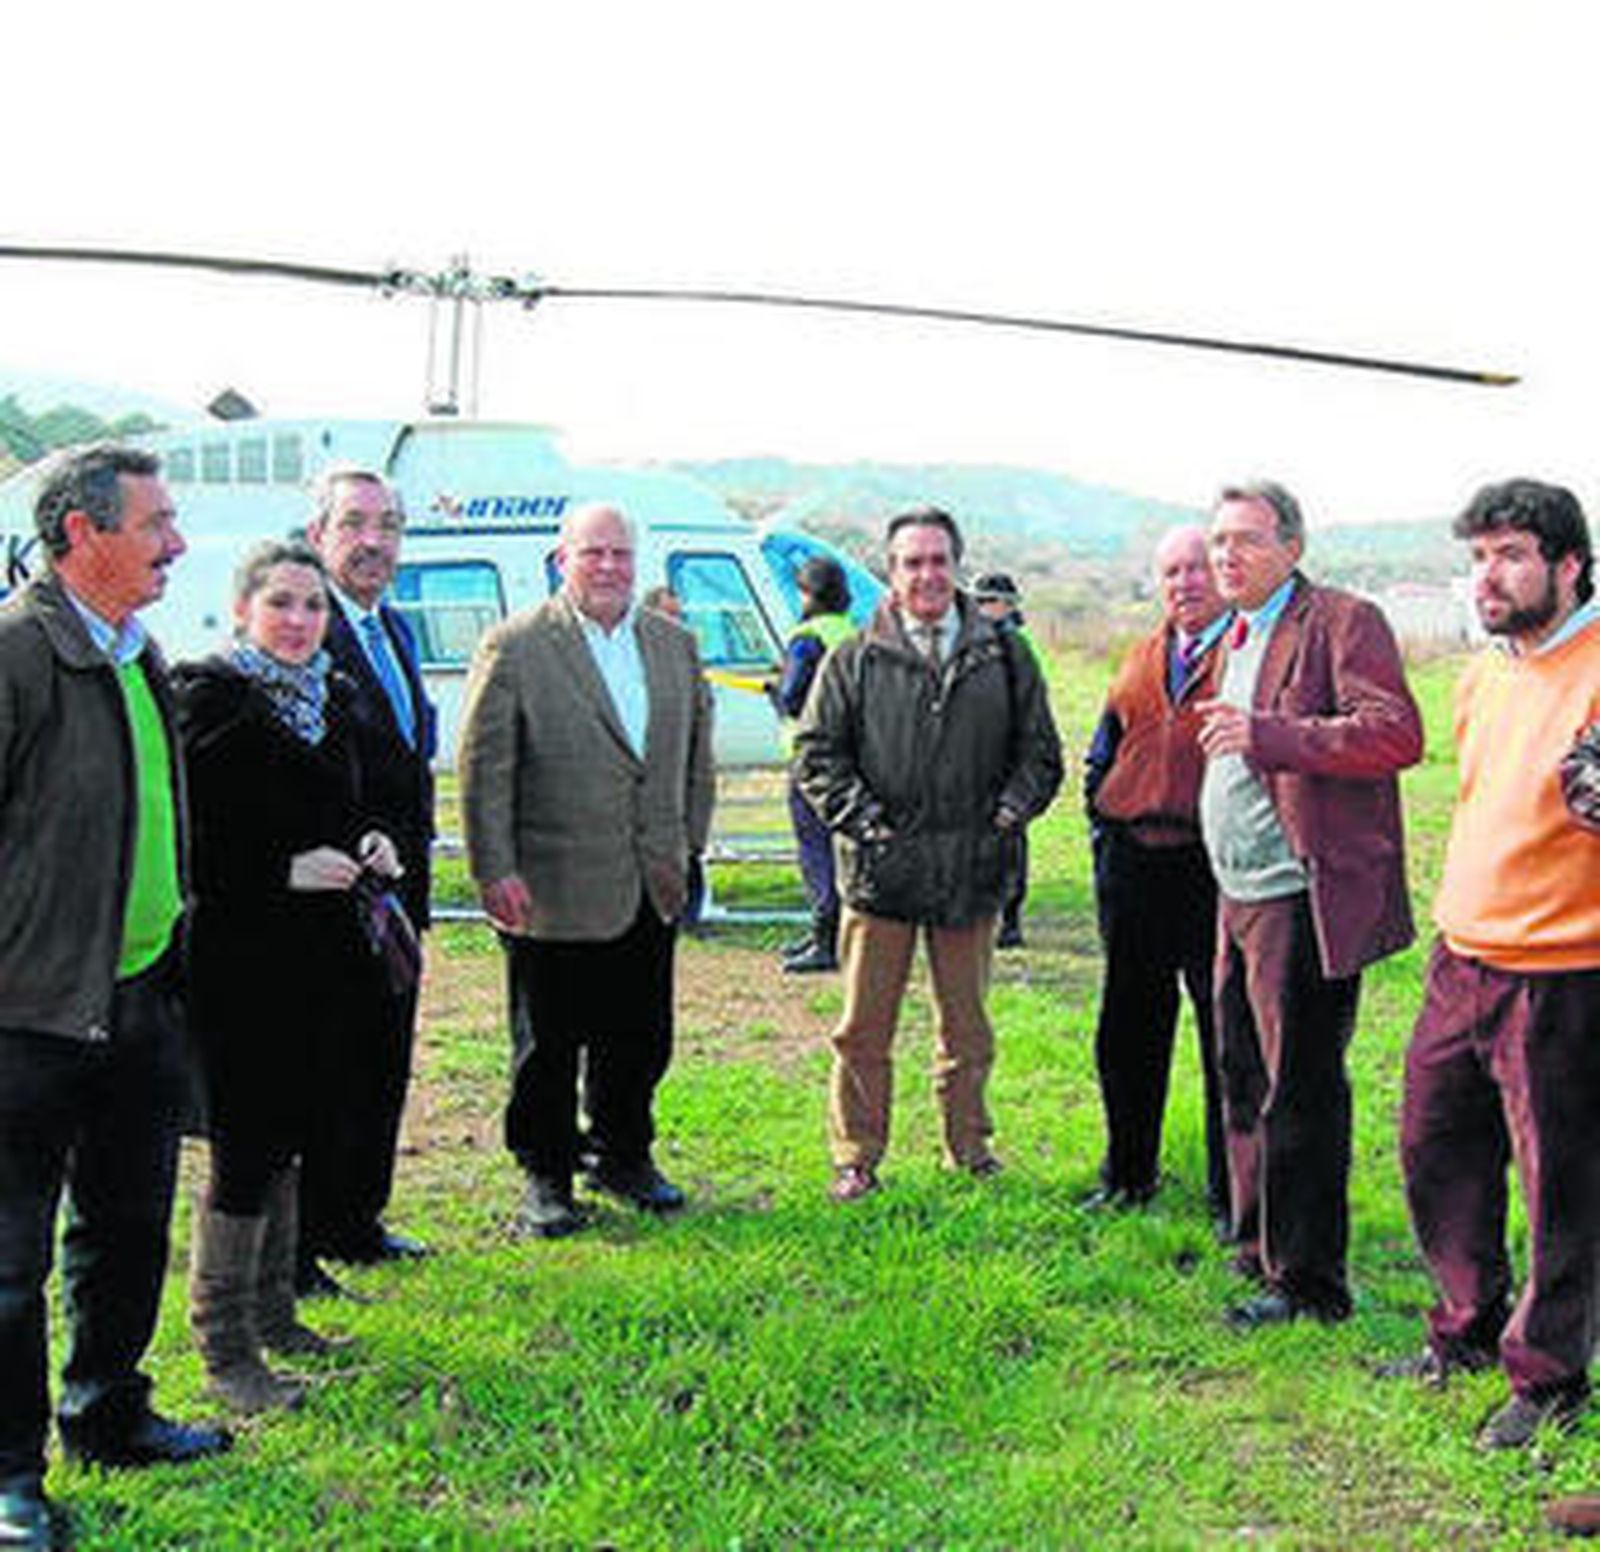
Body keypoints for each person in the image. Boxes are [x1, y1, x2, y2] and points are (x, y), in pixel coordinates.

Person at [0, 447, 230, 1551]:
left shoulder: (136, 650)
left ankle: (107, 1409)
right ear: (82, 533)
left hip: (138, 995)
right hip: (27, 1017)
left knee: (128, 1227)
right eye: (155, 525)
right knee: (9, 1261)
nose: (176, 545)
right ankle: (9, 1479)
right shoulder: (15, 653)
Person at [1383, 479, 1599, 1450]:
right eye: (1477, 557)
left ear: (1569, 565)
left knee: (1561, 1184)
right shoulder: (1482, 677)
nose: (1487, 576)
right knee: (1435, 1148)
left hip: (1565, 969)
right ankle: (1467, 1328)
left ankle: (1549, 1378)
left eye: (1510, 555)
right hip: (1461, 953)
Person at [174, 539, 407, 1415]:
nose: (300, 621)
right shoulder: (209, 700)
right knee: (245, 1149)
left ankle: (275, 1315)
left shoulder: (329, 697)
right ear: (242, 610)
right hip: (239, 965)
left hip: (322, 963)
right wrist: (278, 869)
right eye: (280, 603)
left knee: (293, 1135)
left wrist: (370, 839)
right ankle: (225, 1348)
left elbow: (346, 803)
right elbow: (187, 839)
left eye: (312, 605)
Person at [1195, 480, 1422, 1328]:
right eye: (1220, 539)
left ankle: (1310, 1285)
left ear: (1293, 547)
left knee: (1300, 1088)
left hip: (1300, 893)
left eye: (1248, 539)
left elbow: (1395, 732)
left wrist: (1270, 734)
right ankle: (1259, 1245)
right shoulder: (1236, 630)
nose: (1228, 555)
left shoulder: (1342, 620)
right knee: (1242, 1071)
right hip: (1237, 890)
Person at [459, 503, 714, 1239]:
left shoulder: (674, 643)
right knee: (548, 1044)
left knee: (639, 1036)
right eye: (592, 552)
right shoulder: (515, 646)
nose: (608, 566)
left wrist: (688, 845)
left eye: (620, 554)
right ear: (560, 559)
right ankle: (547, 1175)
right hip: (551, 887)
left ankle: (623, 1155)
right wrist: (494, 868)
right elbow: (483, 770)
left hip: (650, 880)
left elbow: (696, 757)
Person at [796, 508, 1063, 1202]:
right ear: (890, 572)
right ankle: (856, 1158)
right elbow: (816, 755)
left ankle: (968, 1150)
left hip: (971, 874)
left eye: (939, 560)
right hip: (880, 874)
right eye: (912, 562)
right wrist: (866, 822)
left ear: (957, 565)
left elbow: (1040, 754)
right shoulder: (853, 657)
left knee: (967, 1030)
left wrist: (1007, 814)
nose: (927, 575)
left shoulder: (1005, 655)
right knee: (862, 1031)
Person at [299, 467, 436, 1289]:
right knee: (327, 1066)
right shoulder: (305, 627)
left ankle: (357, 1219)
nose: (373, 541)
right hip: (330, 897)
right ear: (318, 534)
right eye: (353, 524)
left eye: (388, 525)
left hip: (396, 893)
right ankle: (308, 1233)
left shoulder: (395, 629)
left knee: (383, 1059)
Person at [1082, 526, 1230, 1227]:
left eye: (1197, 568)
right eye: (1172, 572)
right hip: (1135, 865)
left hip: (1214, 868)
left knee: (1227, 1036)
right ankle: (1128, 1175)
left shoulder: (1248, 655)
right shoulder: (1141, 657)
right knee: (1128, 1030)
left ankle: (1234, 1195)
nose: (1185, 583)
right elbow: (1103, 751)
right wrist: (1102, 824)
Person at [769, 555, 854, 973]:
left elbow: (791, 698)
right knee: (841, 847)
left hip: (810, 757)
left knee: (815, 848)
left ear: (807, 594)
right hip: (850, 754)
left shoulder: (807, 637)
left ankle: (824, 938)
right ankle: (832, 934)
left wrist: (774, 689)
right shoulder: (851, 632)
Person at [970, 573, 1045, 949]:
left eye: (987, 601)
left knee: (1010, 841)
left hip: (1009, 757)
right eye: (976, 601)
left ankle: (1010, 919)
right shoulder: (974, 640)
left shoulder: (1017, 645)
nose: (980, 609)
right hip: (976, 756)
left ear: (1007, 605)